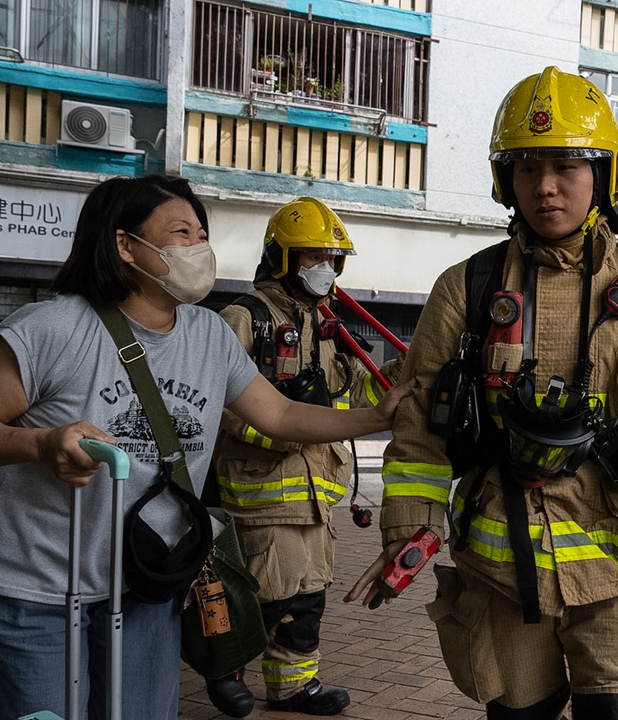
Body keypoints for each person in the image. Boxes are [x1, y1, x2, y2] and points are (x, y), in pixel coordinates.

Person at [345, 66, 618, 720]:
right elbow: (418, 436)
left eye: (566, 166)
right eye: (525, 168)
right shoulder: (466, 289)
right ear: (505, 180)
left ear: (602, 176)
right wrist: (410, 531)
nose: (545, 186)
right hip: (502, 569)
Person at [0, 175, 410, 720]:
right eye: (181, 233)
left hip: (147, 587)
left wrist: (374, 418)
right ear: (126, 244)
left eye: (202, 233)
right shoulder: (50, 330)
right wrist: (40, 443)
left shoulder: (209, 335)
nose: (200, 247)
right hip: (44, 594)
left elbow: (281, 413)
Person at [206, 197, 403, 716]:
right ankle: (227, 672)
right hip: (262, 495)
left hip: (316, 497)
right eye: (314, 257)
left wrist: (399, 382)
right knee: (259, 596)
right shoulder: (243, 318)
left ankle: (294, 687)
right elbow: (214, 402)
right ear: (283, 258)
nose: (326, 269)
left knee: (304, 601)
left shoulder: (323, 324)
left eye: (333, 259)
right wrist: (287, 435)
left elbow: (352, 391)